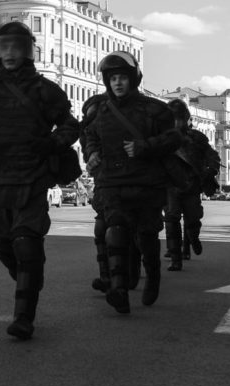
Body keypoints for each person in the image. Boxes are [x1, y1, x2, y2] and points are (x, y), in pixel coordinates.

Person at [0, 21, 80, 340]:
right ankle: (31, 277)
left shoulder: (44, 90)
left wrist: (50, 144)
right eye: (4, 47)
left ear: (27, 51)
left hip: (32, 177)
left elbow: (70, 126)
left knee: (26, 242)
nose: (10, 53)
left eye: (16, 47)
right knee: (3, 244)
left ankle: (24, 317)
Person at [80, 52, 181, 314]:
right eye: (113, 78)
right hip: (112, 181)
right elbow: (90, 136)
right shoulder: (101, 110)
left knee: (146, 236)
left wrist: (144, 146)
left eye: (122, 78)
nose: (117, 83)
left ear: (133, 79)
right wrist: (92, 153)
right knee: (114, 229)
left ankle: (153, 276)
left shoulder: (154, 109)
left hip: (146, 183)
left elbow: (174, 139)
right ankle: (119, 290)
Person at [162, 98, 219, 271]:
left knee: (193, 220)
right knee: (171, 219)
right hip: (171, 186)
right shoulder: (162, 138)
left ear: (185, 119)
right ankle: (175, 258)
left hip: (191, 185)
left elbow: (212, 156)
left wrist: (211, 170)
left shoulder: (196, 138)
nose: (176, 123)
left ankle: (193, 238)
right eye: (173, 119)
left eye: (179, 119)